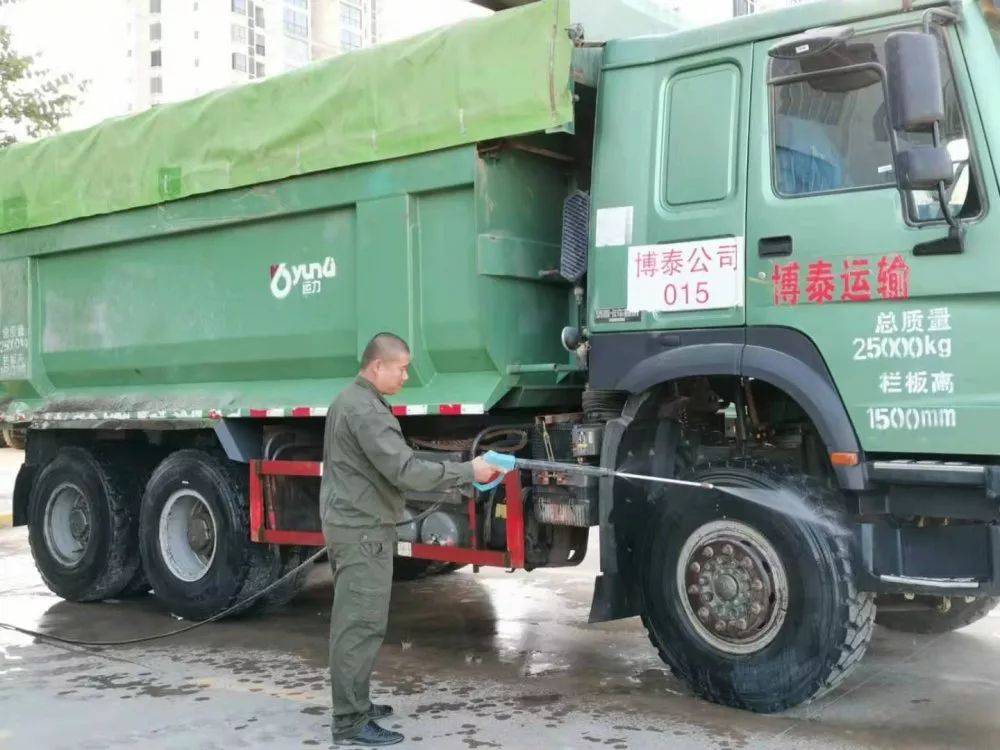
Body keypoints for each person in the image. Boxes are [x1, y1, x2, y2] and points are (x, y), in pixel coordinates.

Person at [320, 332, 501, 747]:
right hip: (362, 530)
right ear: (377, 366)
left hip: (353, 523)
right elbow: (406, 472)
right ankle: (349, 721)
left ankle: (356, 702)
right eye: (400, 367)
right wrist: (468, 471)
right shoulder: (366, 411)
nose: (406, 375)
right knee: (360, 624)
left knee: (356, 621)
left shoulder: (352, 400)